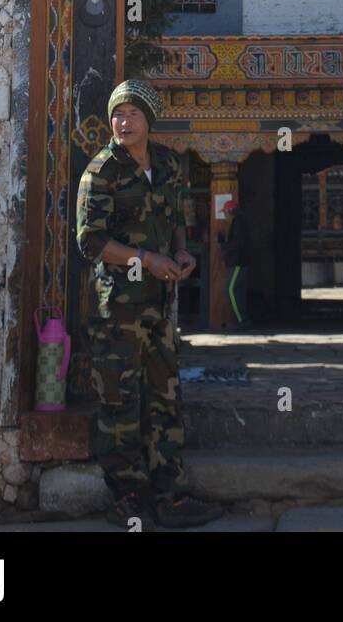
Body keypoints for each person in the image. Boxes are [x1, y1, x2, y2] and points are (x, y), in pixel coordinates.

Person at [76, 78, 224, 529]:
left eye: (133, 113)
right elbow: (91, 241)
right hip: (117, 308)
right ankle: (129, 496)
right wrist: (146, 259)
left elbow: (177, 218)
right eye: (118, 114)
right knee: (119, 400)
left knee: (165, 397)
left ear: (149, 120)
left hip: (159, 305)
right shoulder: (101, 171)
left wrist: (180, 253)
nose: (123, 122)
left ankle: (172, 495)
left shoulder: (168, 165)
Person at [222, 196, 252, 329]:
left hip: (238, 262)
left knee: (230, 290)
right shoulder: (240, 221)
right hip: (241, 261)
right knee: (238, 292)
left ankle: (242, 321)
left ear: (229, 211)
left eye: (225, 212)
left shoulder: (238, 223)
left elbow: (238, 243)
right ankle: (242, 320)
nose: (224, 215)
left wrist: (225, 246)